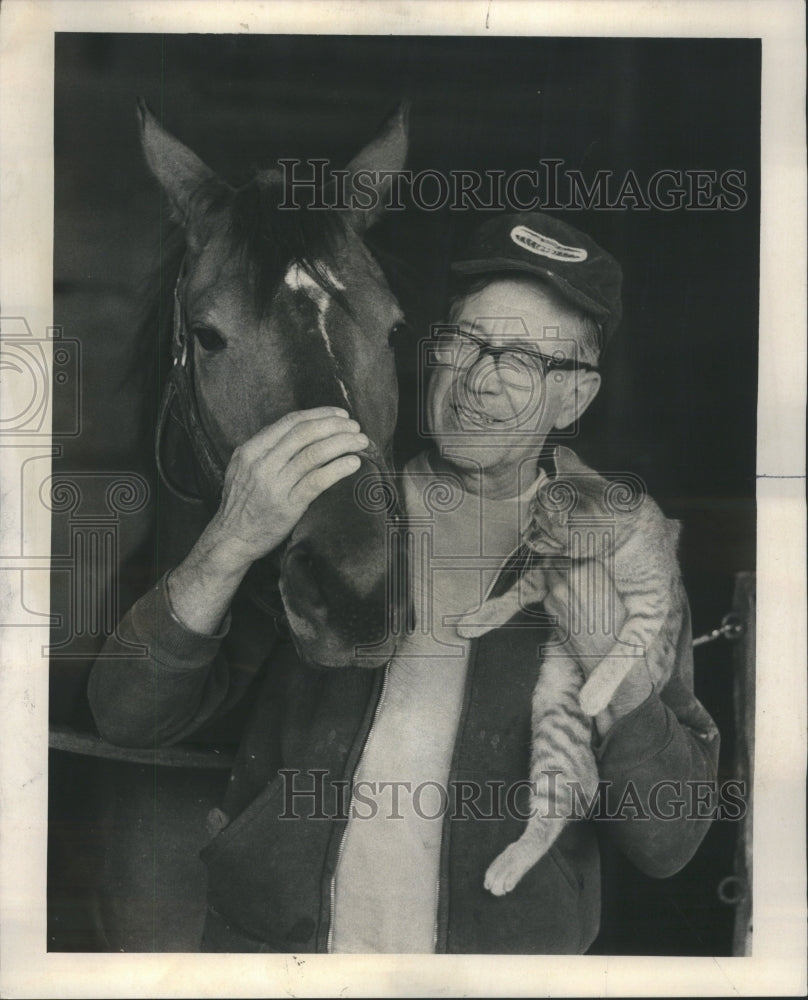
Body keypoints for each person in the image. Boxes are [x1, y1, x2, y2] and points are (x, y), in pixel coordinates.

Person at [88, 211, 719, 954]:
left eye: (522, 360)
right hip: (282, 962)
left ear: (574, 399)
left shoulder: (617, 551)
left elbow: (669, 839)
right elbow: (127, 717)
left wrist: (613, 662)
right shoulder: (331, 518)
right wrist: (229, 540)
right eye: (464, 343)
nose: (479, 383)